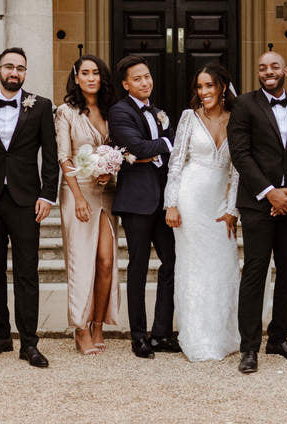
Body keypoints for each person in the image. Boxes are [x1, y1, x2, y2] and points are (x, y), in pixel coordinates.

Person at [229, 51, 287, 374]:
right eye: (262, 67)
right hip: (257, 203)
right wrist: (270, 193)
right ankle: (249, 347)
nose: (268, 71)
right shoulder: (244, 105)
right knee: (255, 271)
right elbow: (240, 154)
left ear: (286, 70)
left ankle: (279, 338)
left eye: (274, 66)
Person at [0, 47, 59, 368]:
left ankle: (30, 343)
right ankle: (0, 336)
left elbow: (50, 156)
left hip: (26, 200)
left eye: (20, 68)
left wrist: (47, 196)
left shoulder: (40, 107)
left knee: (27, 272)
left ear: (24, 73)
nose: (14, 72)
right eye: (9, 67)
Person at [164, 64, 241, 362]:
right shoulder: (188, 117)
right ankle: (196, 335)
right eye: (200, 87)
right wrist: (171, 203)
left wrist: (232, 208)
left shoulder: (236, 119)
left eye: (209, 86)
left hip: (220, 204)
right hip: (190, 201)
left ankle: (222, 334)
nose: (204, 92)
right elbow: (176, 162)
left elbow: (238, 171)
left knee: (223, 264)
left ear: (222, 87)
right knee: (193, 267)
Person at [108, 55, 179, 359]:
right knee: (137, 268)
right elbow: (136, 148)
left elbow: (155, 147)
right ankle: (139, 336)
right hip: (136, 202)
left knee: (172, 263)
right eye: (137, 78)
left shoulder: (159, 111)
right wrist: (165, 143)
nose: (145, 82)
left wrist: (157, 146)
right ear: (125, 84)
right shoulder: (119, 111)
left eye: (147, 76)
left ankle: (162, 332)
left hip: (164, 200)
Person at [54, 55, 119, 355]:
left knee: (106, 261)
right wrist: (78, 197)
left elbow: (118, 150)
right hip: (77, 191)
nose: (91, 78)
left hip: (106, 191)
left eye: (96, 73)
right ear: (76, 77)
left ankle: (98, 324)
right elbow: (64, 157)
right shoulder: (66, 112)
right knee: (81, 263)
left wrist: (110, 171)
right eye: (85, 73)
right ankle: (80, 329)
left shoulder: (111, 111)